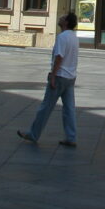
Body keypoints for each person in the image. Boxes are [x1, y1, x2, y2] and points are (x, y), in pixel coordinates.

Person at [18, 13, 79, 147]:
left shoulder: (62, 37)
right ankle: (71, 136)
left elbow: (59, 57)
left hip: (59, 76)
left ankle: (33, 134)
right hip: (70, 77)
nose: (60, 18)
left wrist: (53, 75)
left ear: (66, 22)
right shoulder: (74, 37)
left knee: (45, 107)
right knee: (69, 109)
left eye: (63, 17)